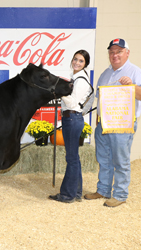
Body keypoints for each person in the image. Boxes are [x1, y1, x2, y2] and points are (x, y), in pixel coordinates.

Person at [84, 38, 141, 207]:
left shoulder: (134, 71)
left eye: (119, 51)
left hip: (122, 125)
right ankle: (103, 190)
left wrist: (133, 86)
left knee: (121, 160)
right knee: (104, 159)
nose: (115, 55)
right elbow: (100, 100)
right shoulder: (105, 74)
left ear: (127, 53)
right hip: (104, 125)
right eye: (112, 52)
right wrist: (98, 123)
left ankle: (120, 195)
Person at [49, 50, 92, 203]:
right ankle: (76, 192)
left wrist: (61, 93)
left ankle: (67, 195)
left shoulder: (80, 80)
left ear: (85, 64)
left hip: (72, 119)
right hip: (71, 119)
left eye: (81, 61)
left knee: (72, 159)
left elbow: (73, 103)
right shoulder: (76, 78)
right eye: (75, 59)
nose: (77, 63)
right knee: (74, 158)